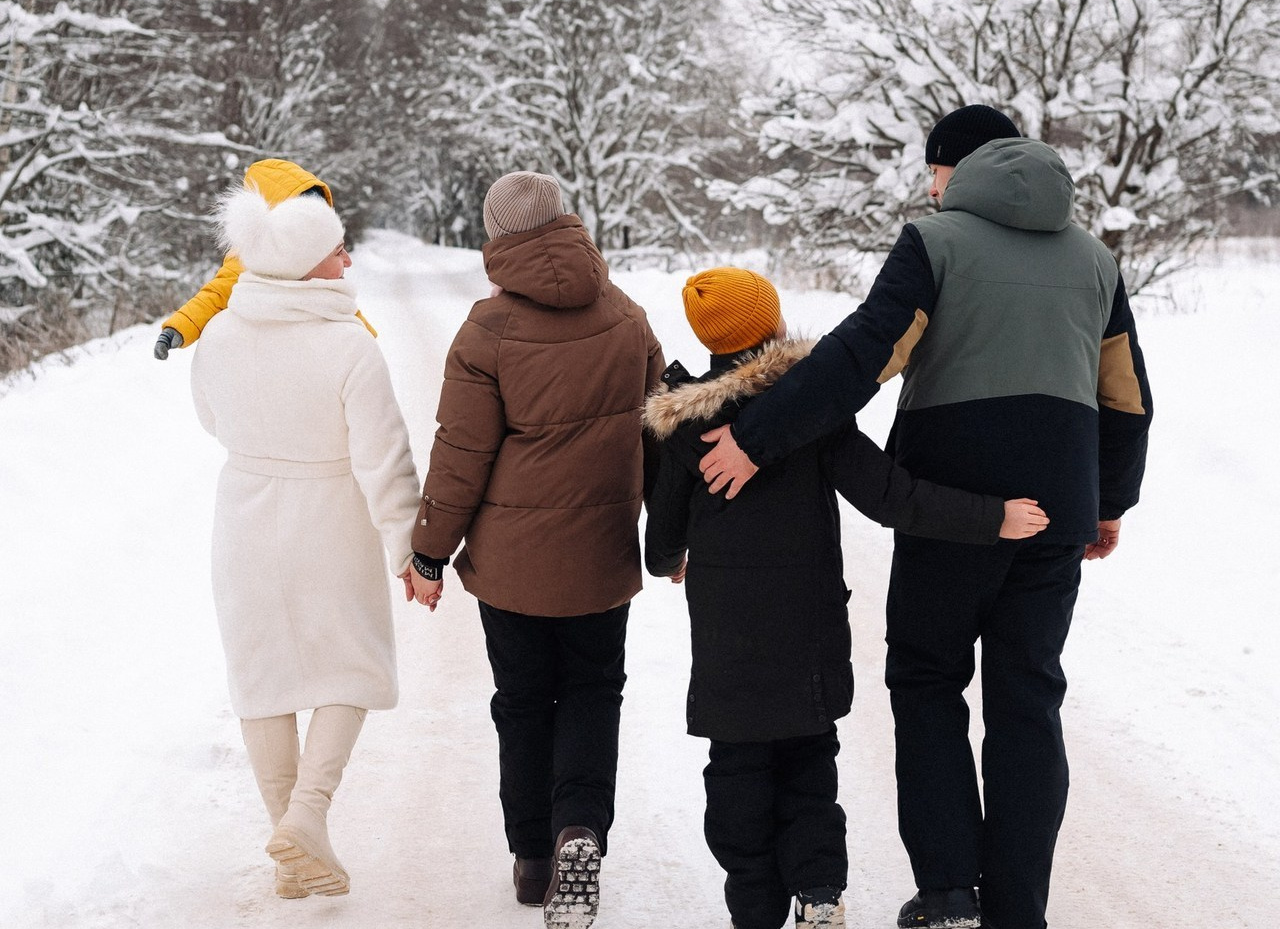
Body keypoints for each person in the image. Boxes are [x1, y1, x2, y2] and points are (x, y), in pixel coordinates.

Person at [698, 107, 1153, 929]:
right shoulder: (1095, 260)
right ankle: (1018, 911)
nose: (931, 187)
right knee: (1028, 703)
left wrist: (758, 438)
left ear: (957, 169)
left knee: (928, 680)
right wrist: (1108, 502)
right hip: (1055, 515)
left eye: (934, 171)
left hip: (952, 509)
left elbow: (858, 357)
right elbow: (1125, 400)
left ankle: (948, 893)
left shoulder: (936, 242)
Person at [643, 266, 1049, 929]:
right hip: (809, 634)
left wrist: (674, 560)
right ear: (774, 327)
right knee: (808, 766)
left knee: (738, 770)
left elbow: (660, 540)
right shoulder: (814, 413)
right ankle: (820, 891)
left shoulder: (683, 425)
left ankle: (754, 903)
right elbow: (894, 497)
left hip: (728, 641)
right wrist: (991, 518)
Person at [407, 171, 665, 929]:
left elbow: (461, 456)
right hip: (600, 558)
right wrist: (672, 537)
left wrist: (429, 552)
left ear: (499, 238)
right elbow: (658, 438)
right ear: (567, 223)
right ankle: (579, 826)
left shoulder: (487, 331)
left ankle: (531, 861)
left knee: (523, 703)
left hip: (513, 569)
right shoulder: (628, 317)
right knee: (593, 691)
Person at [189, 184, 422, 898]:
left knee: (262, 677)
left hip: (245, 518)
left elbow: (209, 417)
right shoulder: (348, 343)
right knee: (349, 665)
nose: (347, 256)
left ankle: (292, 846)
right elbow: (385, 460)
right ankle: (308, 818)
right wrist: (406, 548)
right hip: (330, 520)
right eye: (335, 249)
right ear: (305, 266)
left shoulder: (222, 332)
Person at [154, 157, 373, 359]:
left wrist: (366, 338)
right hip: (275, 351)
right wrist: (180, 327)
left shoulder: (319, 256)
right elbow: (216, 293)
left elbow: (338, 302)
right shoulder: (249, 258)